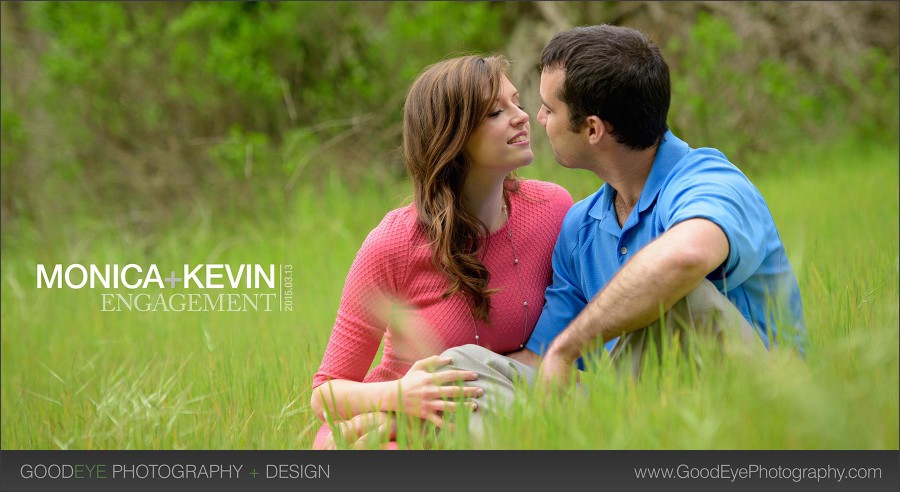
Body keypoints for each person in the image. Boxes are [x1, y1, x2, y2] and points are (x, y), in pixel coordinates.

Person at [438, 24, 806, 432]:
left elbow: (687, 256)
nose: (536, 117)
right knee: (464, 368)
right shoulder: (581, 225)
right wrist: (396, 400)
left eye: (549, 108)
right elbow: (541, 362)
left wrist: (570, 346)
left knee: (680, 298)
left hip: (749, 408)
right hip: (635, 408)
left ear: (593, 129)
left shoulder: (711, 182)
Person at [309, 55, 574, 449]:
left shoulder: (553, 209)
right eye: (495, 112)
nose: (521, 117)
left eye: (517, 102)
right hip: (394, 424)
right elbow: (325, 393)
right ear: (453, 136)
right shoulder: (393, 243)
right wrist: (398, 398)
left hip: (497, 413)